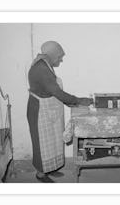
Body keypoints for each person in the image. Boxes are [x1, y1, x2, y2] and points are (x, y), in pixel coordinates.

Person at [27, 41, 93, 183]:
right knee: (41, 144)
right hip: (40, 110)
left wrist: (73, 102)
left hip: (48, 108)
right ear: (51, 55)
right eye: (59, 57)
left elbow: (54, 91)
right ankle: (40, 174)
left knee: (52, 142)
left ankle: (49, 168)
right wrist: (79, 100)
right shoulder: (41, 69)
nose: (61, 60)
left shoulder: (45, 63)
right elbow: (57, 92)